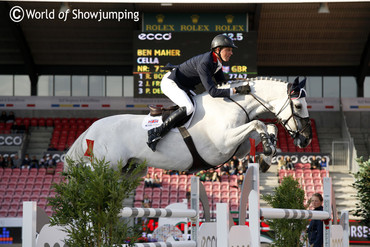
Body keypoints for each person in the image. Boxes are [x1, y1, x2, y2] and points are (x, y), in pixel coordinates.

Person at [147, 34, 251, 151]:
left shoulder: (217, 62)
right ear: (218, 50)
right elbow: (212, 92)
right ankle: (156, 133)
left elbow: (222, 83)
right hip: (171, 83)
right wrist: (236, 90)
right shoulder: (205, 62)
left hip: (184, 85)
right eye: (228, 50)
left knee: (202, 108)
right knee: (189, 107)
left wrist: (237, 83)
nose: (231, 53)